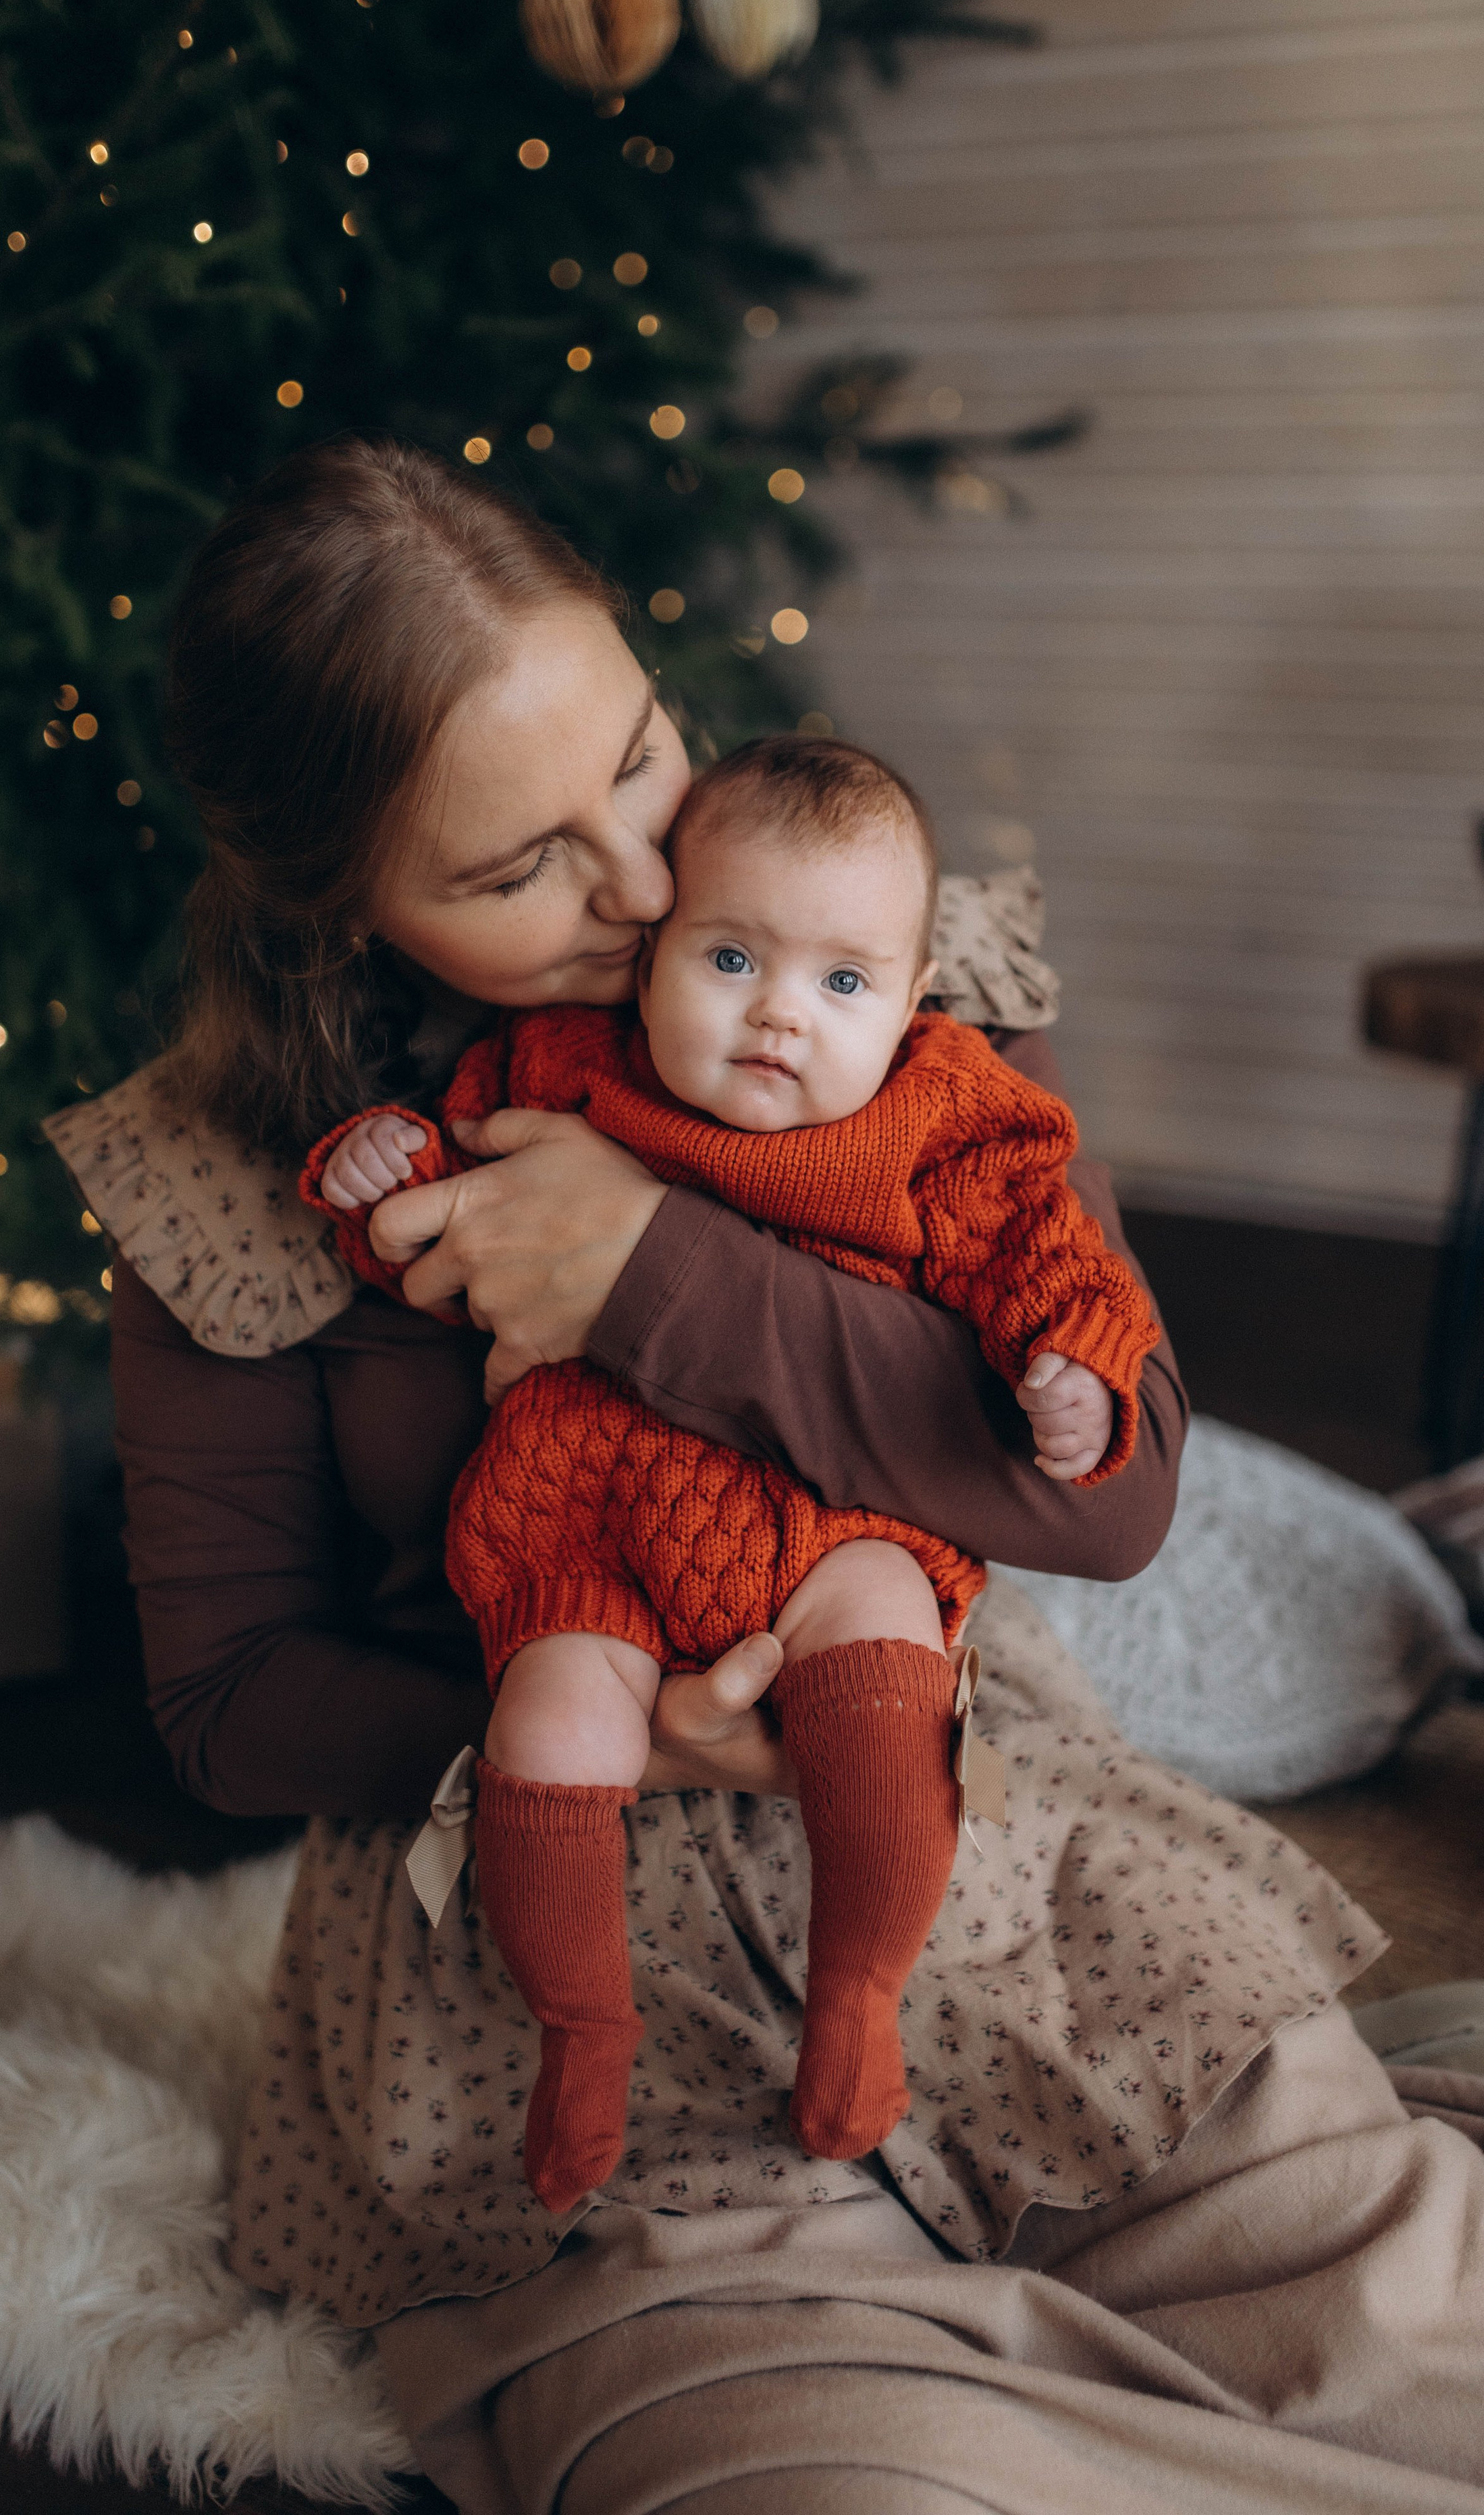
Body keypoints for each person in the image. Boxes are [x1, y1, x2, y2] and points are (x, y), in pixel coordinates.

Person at [47, 438, 1484, 2513]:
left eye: (636, 755)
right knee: (836, 2480)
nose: (641, 887)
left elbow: (1108, 1497)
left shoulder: (877, 966)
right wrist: (626, 1741)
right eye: (514, 866)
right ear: (333, 900)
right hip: (571, 2039)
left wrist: (660, 1274)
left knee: (1403, 2330)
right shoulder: (227, 1179)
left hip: (1004, 1894)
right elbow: (225, 1699)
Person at [310, 733, 1158, 2203]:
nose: (779, 1014)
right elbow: (446, 1211)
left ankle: (856, 1995)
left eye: (842, 982)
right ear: (650, 958)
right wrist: (383, 1170)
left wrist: (1070, 1357)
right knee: (551, 1716)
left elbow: (1043, 1245)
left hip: (841, 1518)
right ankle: (581, 2032)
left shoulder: (944, 1113)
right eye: (728, 959)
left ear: (909, 1000)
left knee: (886, 1651)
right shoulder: (568, 1073)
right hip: (589, 1514)